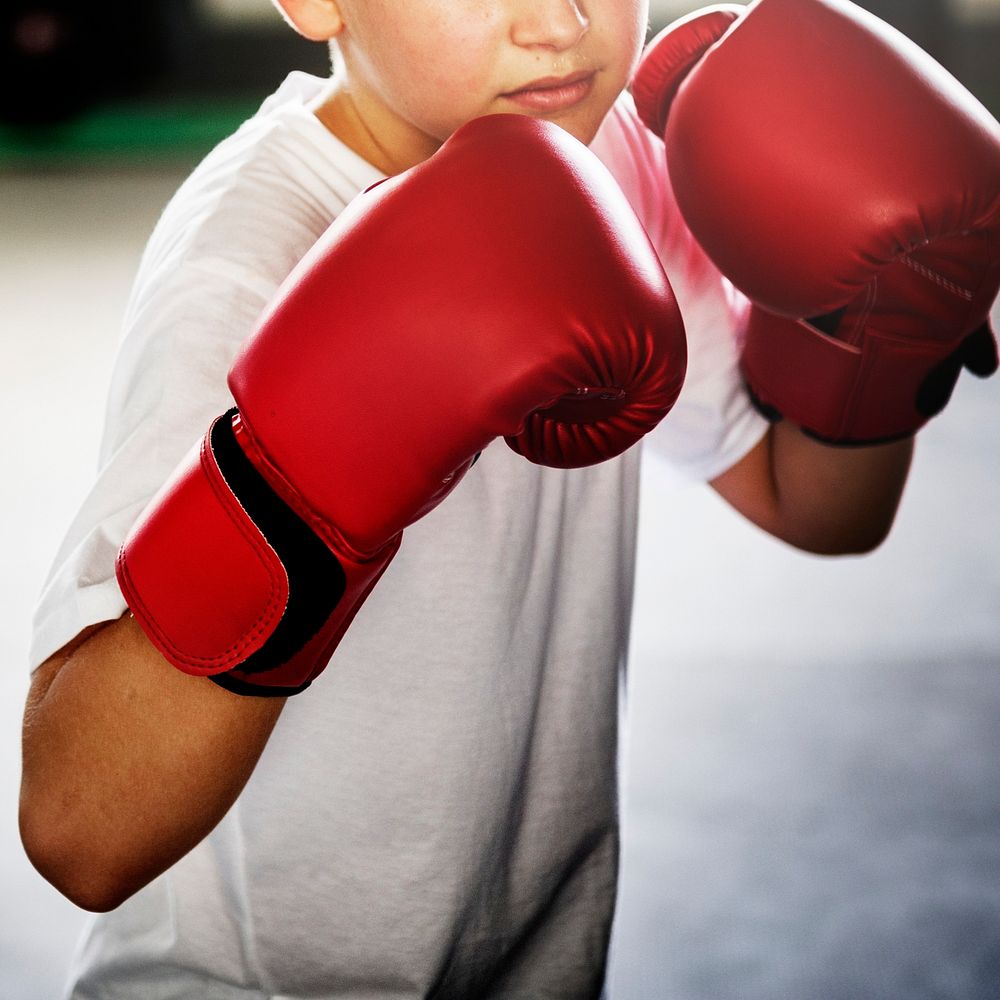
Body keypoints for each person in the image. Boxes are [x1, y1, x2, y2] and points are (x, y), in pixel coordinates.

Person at [19, 0, 996, 997]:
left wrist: (884, 333)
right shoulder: (245, 262)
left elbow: (817, 504)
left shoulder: (604, 157)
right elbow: (82, 833)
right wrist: (315, 465)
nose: (562, 20)